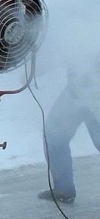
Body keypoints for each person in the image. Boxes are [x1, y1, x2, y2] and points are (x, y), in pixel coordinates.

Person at [38, 63, 100, 204]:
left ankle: (64, 189)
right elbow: (62, 49)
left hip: (91, 88)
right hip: (76, 89)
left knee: (55, 135)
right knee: (55, 135)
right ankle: (63, 190)